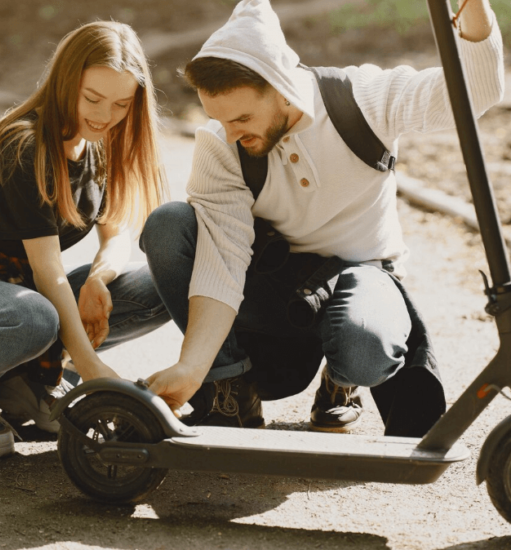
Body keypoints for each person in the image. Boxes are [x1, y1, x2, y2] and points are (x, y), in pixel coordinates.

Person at [142, 0, 504, 434]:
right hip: (276, 286)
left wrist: (472, 6)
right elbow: (222, 260)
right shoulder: (222, 145)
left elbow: (475, 92)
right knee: (169, 225)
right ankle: (231, 390)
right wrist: (194, 368)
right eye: (221, 119)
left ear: (282, 87)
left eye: (242, 117)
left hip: (362, 274)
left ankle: (341, 380)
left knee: (366, 349)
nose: (232, 133)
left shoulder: (363, 99)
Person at [0, 21, 171, 458]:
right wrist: (92, 369)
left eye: (120, 104)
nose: (104, 115)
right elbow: (48, 270)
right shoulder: (21, 145)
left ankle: (22, 381)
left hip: (21, 291)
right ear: (64, 82)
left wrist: (99, 277)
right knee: (34, 318)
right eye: (91, 98)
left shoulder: (99, 142)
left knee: (161, 284)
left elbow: (118, 231)